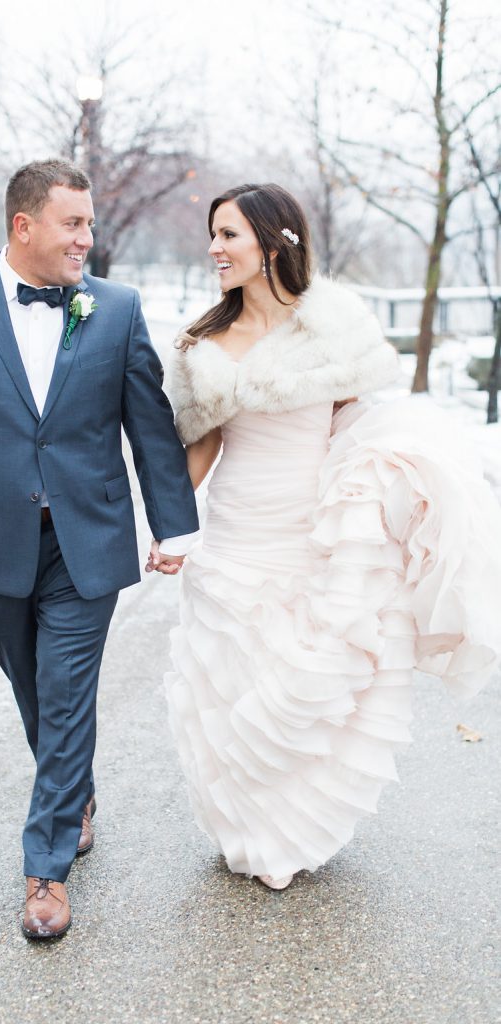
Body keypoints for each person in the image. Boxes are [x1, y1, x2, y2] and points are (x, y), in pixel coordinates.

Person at [0, 159, 199, 939]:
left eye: (88, 223)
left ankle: (45, 870)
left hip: (88, 540)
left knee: (64, 694)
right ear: (24, 226)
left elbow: (149, 427)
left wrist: (174, 521)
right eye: (73, 224)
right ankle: (74, 793)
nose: (86, 239)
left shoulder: (115, 310)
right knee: (31, 687)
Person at [162, 183, 501, 890]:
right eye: (213, 235)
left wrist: (381, 499)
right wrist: (167, 529)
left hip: (308, 532)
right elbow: (195, 453)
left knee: (303, 682)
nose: (214, 249)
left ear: (271, 240)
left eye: (227, 235)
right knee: (231, 684)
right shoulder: (203, 345)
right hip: (235, 535)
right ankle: (247, 829)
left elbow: (356, 424)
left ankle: (289, 832)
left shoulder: (333, 329)